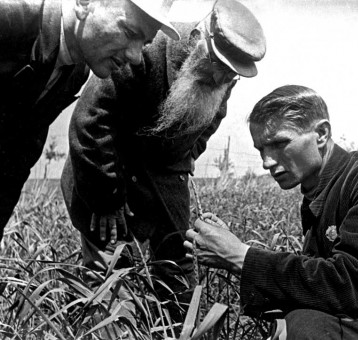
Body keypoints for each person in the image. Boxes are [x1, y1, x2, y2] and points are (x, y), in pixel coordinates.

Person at [60, 0, 266, 316]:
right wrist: (105, 200)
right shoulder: (144, 48)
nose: (220, 78)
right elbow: (90, 121)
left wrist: (180, 162)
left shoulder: (221, 79)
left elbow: (207, 125)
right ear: (199, 37)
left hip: (165, 174)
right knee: (108, 266)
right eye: (218, 64)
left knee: (178, 266)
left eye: (230, 74)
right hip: (103, 170)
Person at [185, 85, 358, 339]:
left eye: (280, 143)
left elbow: (352, 287)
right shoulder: (319, 192)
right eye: (261, 149)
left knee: (307, 326)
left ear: (321, 133)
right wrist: (235, 252)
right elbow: (319, 281)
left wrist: (241, 256)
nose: (267, 162)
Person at [0, 0, 180, 239]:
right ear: (84, 4)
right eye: (129, 32)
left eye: (145, 43)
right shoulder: (10, 18)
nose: (136, 57)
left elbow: (17, 159)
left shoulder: (76, 72)